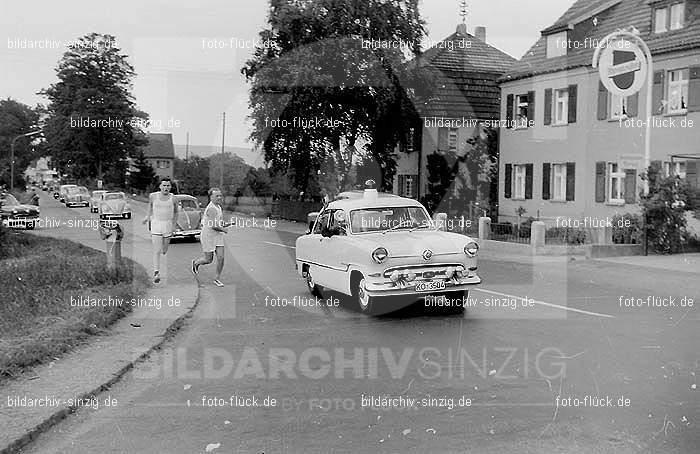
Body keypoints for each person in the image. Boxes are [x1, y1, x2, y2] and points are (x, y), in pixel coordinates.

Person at [142, 177, 179, 284]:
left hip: (167, 225)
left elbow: (176, 212)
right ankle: (156, 273)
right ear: (160, 186)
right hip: (156, 225)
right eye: (164, 185)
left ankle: (163, 250)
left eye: (168, 185)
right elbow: (150, 207)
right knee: (157, 250)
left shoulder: (173, 198)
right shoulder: (153, 196)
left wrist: (174, 225)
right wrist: (147, 217)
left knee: (164, 250)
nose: (166, 187)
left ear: (170, 187)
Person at [192, 188, 229, 287]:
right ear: (211, 197)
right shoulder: (211, 209)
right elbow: (214, 226)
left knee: (221, 258)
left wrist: (226, 224)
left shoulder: (218, 207)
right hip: (208, 236)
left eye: (220, 195)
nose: (219, 197)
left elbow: (218, 223)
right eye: (217, 196)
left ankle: (217, 278)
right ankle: (196, 263)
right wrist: (224, 230)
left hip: (218, 236)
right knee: (208, 260)